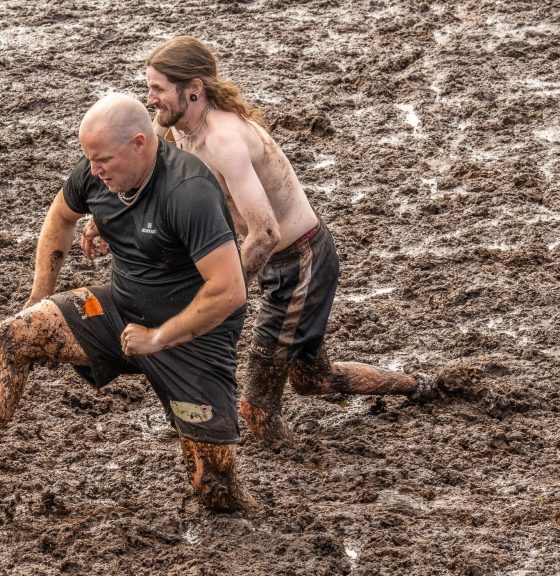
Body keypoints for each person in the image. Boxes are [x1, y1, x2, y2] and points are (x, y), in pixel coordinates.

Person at [0, 93, 255, 517]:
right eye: (89, 159)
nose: (94, 171)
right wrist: (38, 297)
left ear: (140, 143)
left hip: (190, 340)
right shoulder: (98, 172)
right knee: (14, 335)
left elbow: (229, 291)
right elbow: (60, 217)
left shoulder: (189, 191)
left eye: (104, 161)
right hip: (121, 312)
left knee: (216, 494)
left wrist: (159, 337)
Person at [81, 36, 434, 448]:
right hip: (272, 260)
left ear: (192, 88)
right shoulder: (178, 130)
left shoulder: (224, 140)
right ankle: (419, 386)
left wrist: (223, 294)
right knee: (314, 379)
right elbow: (152, 181)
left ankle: (300, 476)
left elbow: (265, 234)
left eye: (158, 88)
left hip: (300, 261)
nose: (150, 98)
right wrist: (104, 219)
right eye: (149, 87)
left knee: (257, 408)